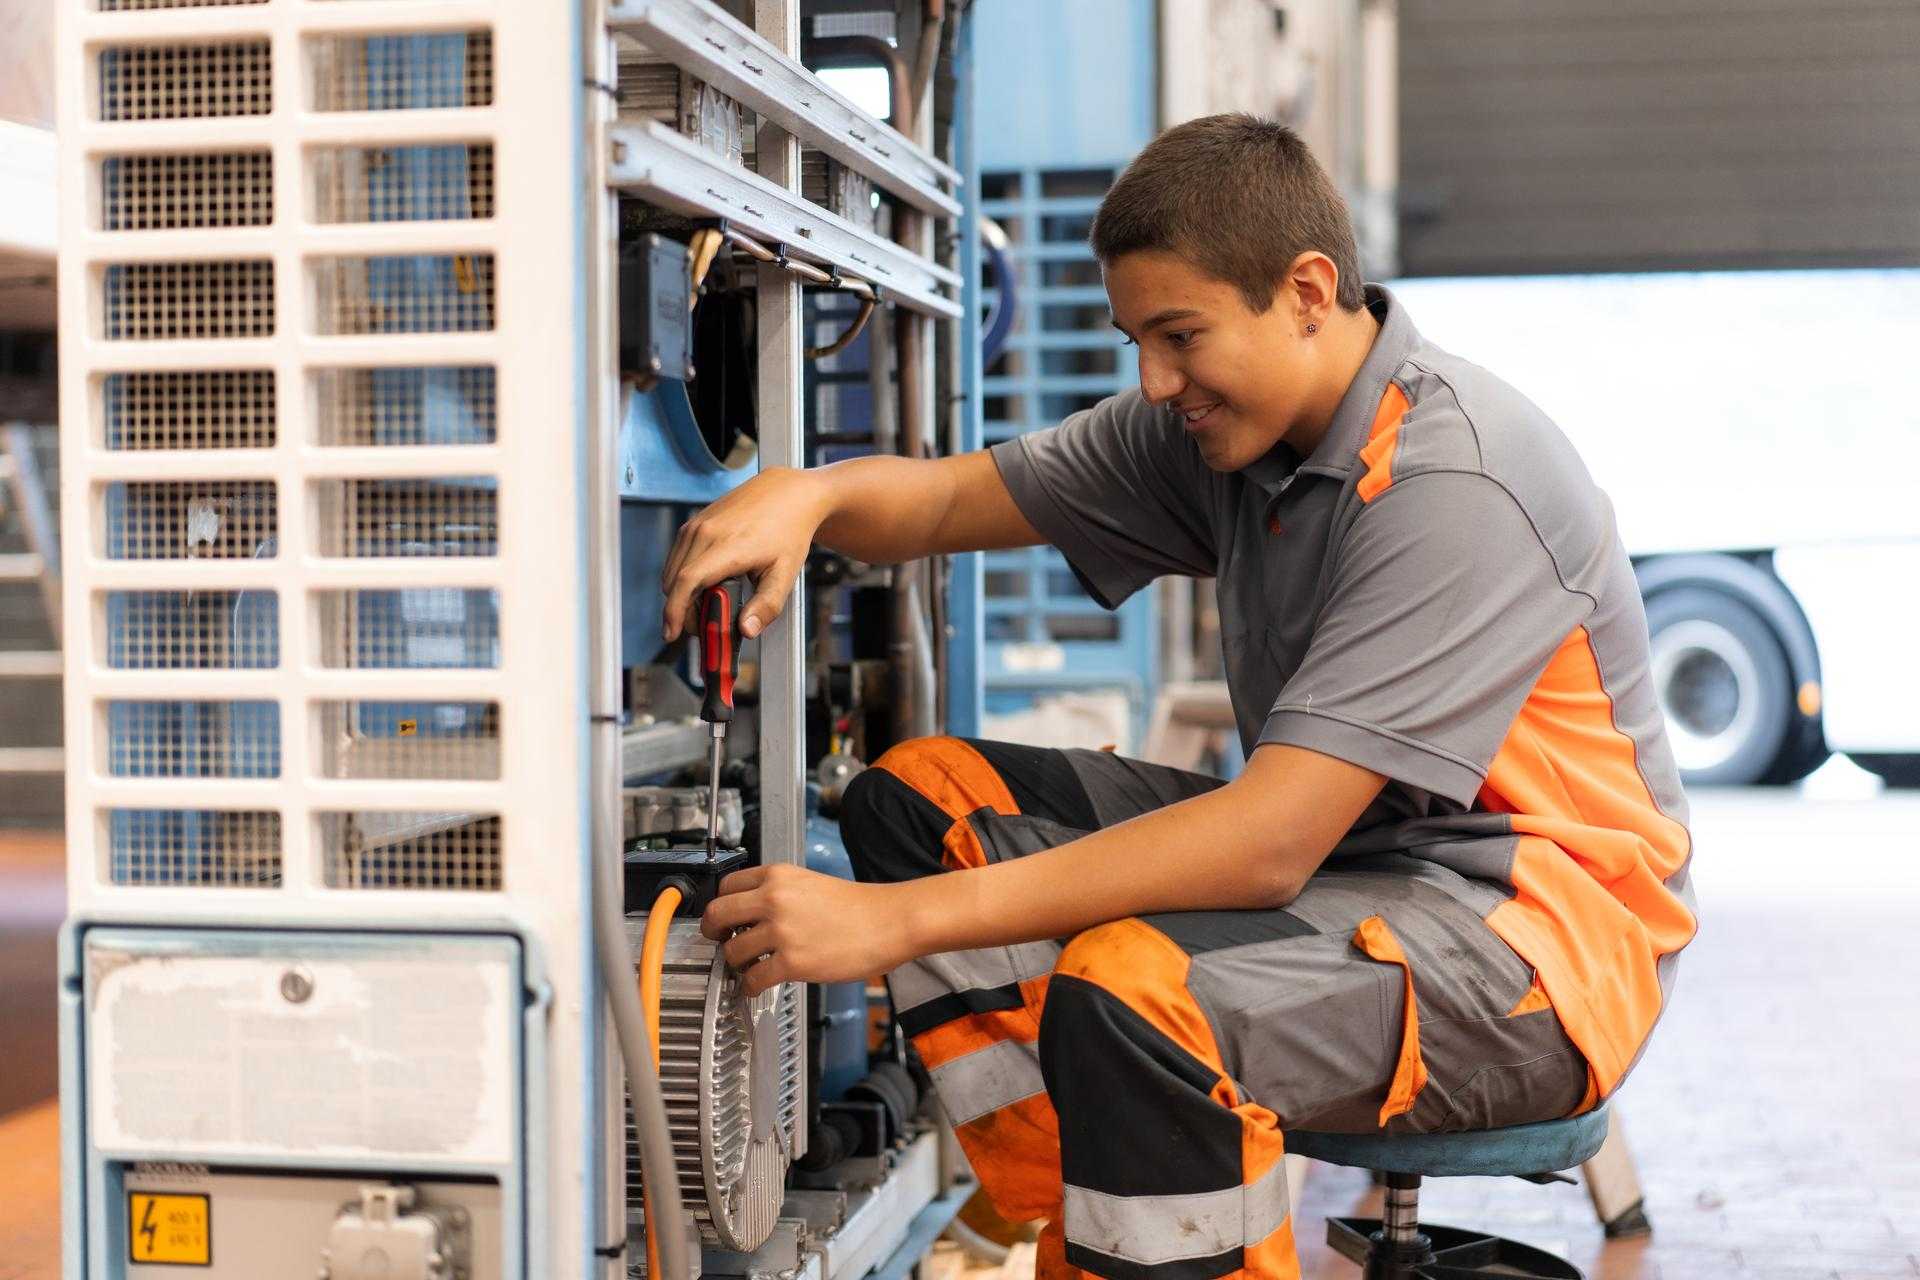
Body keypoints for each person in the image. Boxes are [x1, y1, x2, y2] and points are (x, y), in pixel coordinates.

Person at [659, 113, 1696, 1280]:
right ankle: (1081, 1221)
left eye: (1179, 335)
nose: (1154, 380)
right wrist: (810, 494)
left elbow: (1265, 845)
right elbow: (954, 502)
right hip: (1359, 874)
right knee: (922, 799)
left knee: (1134, 993)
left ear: (1306, 290)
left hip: (1534, 947)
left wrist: (888, 925)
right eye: (1133, 338)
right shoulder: (1221, 430)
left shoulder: (1454, 478)